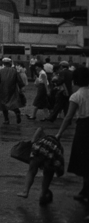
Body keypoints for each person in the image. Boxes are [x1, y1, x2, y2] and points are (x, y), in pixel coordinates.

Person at [55, 66, 89, 204]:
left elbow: (68, 118)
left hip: (84, 129)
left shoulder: (76, 96)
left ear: (75, 80)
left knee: (84, 161)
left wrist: (59, 133)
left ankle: (86, 190)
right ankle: (85, 190)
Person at [16, 128, 64, 205]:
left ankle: (25, 191)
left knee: (31, 171)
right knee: (48, 174)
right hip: (52, 154)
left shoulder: (44, 135)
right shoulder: (59, 146)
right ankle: (43, 194)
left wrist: (32, 142)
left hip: (39, 148)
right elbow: (59, 162)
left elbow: (39, 129)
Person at [0, 57, 25, 124]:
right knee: (13, 103)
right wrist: (21, 88)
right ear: (10, 63)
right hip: (12, 90)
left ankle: (6, 120)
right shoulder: (14, 71)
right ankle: (17, 112)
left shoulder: (0, 71)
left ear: (4, 64)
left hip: (2, 90)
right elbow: (19, 80)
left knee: (3, 105)